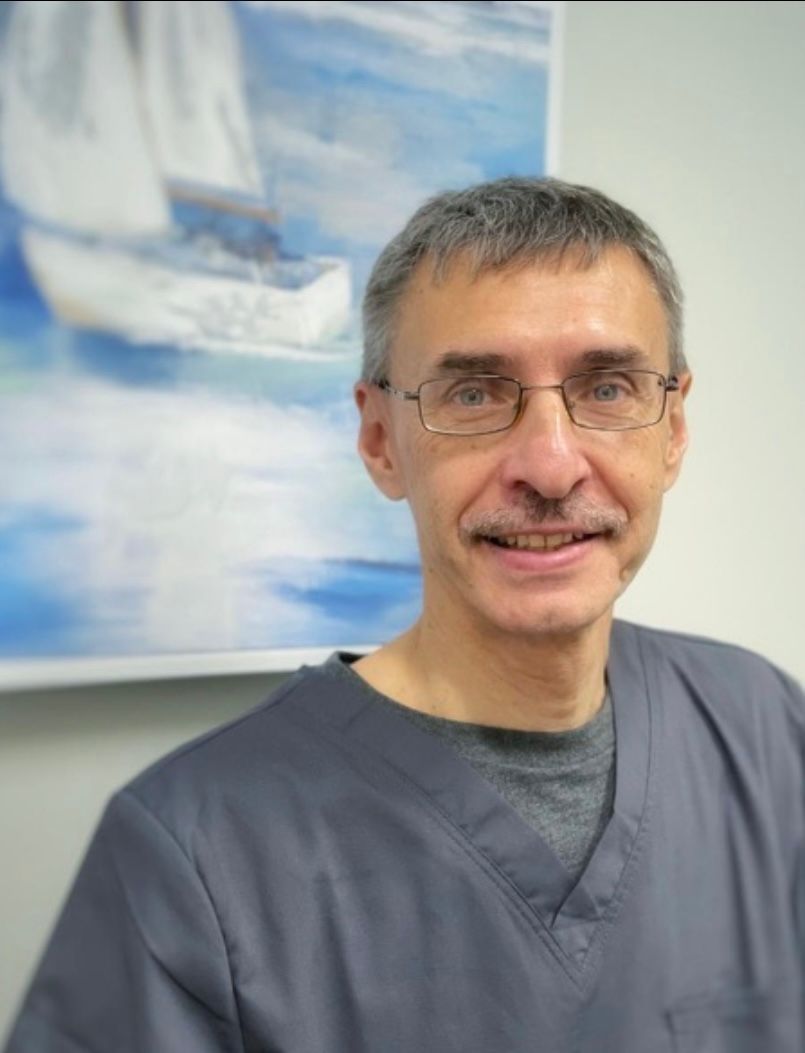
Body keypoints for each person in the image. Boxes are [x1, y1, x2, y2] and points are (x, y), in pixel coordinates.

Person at [5, 178, 804, 1052]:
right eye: (474, 395)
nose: (548, 465)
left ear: (673, 429)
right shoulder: (191, 855)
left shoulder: (762, 729)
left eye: (607, 388)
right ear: (381, 439)